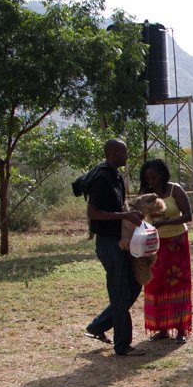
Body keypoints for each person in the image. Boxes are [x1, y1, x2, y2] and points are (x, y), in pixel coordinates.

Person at [84, 138, 145, 356]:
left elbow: (120, 206)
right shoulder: (102, 178)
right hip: (108, 242)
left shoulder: (116, 175)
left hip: (119, 241)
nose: (126, 156)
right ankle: (123, 345)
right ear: (112, 153)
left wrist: (132, 213)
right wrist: (124, 215)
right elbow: (92, 212)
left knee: (133, 285)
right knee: (120, 292)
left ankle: (98, 326)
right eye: (123, 152)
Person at [139, 159, 193, 344]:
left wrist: (165, 223)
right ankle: (161, 329)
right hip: (154, 245)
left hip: (176, 243)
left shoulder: (174, 190)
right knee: (155, 284)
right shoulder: (146, 194)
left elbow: (188, 215)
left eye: (154, 177)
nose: (151, 181)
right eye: (148, 178)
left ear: (163, 174)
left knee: (178, 284)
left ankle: (181, 329)